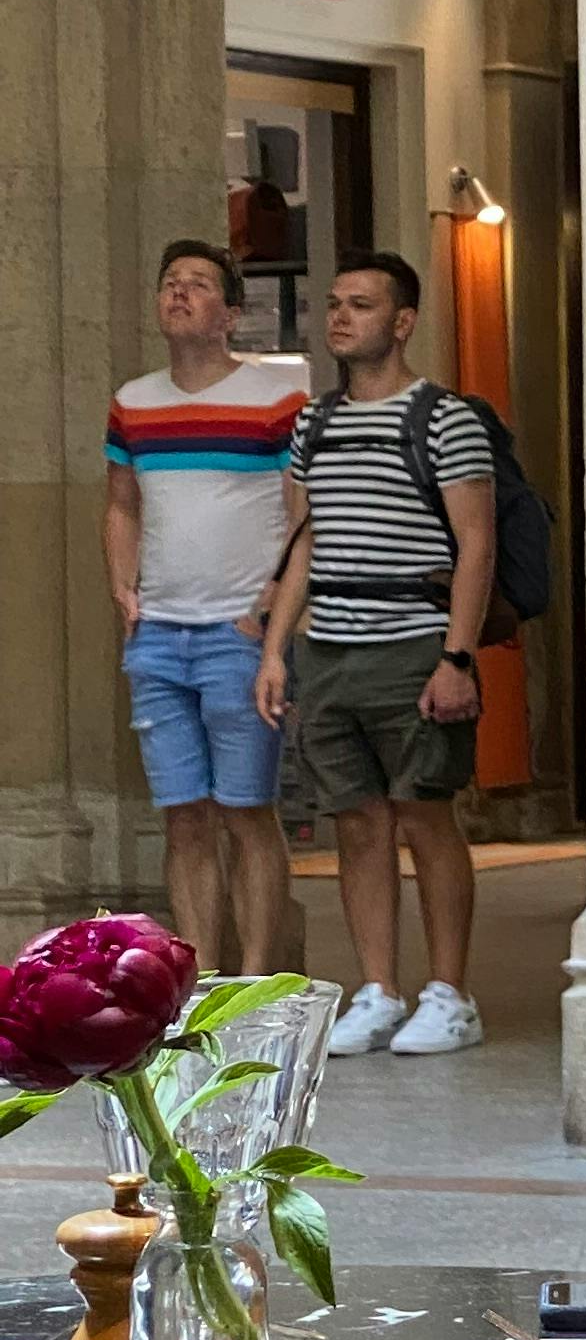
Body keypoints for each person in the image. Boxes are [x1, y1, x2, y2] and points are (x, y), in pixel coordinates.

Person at [254, 252, 493, 1059]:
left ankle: (451, 995)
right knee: (355, 824)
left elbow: (477, 544)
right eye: (332, 304)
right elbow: (304, 540)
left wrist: (456, 657)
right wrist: (278, 650)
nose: (340, 317)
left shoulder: (446, 418)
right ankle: (380, 990)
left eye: (360, 304)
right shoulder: (313, 422)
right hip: (331, 649)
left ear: (403, 321)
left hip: (414, 642)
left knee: (427, 816)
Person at [103, 237, 308, 975]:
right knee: (183, 814)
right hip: (158, 632)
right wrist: (123, 586)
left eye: (196, 284)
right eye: (169, 283)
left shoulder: (278, 401)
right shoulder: (133, 401)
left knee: (248, 810)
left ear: (230, 312)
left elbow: (302, 514)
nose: (179, 293)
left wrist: (277, 611)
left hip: (237, 632)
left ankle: (255, 976)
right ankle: (199, 977)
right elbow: (121, 502)